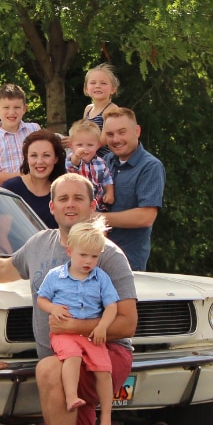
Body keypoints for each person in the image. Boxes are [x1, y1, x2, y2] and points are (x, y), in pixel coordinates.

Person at [0, 173, 178, 425]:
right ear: (52, 206)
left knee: (47, 369)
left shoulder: (107, 254)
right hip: (62, 363)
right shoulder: (39, 244)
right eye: (63, 199)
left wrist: (74, 328)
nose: (70, 204)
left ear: (92, 206)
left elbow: (127, 324)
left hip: (104, 357)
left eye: (78, 198)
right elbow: (2, 269)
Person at [36, 221, 121, 425]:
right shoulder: (55, 275)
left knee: (104, 370)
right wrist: (53, 308)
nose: (88, 261)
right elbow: (41, 299)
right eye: (83, 255)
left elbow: (112, 306)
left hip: (90, 334)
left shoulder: (100, 278)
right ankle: (71, 396)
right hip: (64, 333)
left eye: (94, 257)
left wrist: (102, 326)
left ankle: (107, 416)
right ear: (70, 251)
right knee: (72, 357)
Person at [99, 106, 164, 271]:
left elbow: (146, 217)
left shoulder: (150, 166)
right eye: (110, 134)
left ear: (137, 131)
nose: (116, 139)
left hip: (127, 264)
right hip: (93, 259)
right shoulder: (105, 160)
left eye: (122, 132)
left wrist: (96, 218)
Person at [2, 129, 66, 229]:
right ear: (27, 158)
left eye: (46, 155)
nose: (39, 161)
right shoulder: (10, 189)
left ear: (56, 159)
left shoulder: (63, 191)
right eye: (34, 155)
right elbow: (0, 235)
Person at [0, 83, 41, 186]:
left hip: (33, 189)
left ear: (24, 109)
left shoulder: (34, 129)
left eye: (17, 107)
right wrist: (27, 176)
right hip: (4, 193)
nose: (12, 112)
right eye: (6, 107)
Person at [65, 119, 115, 209]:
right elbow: (73, 164)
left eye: (90, 145)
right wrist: (77, 156)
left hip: (98, 205)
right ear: (71, 145)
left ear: (98, 145)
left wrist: (109, 193)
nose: (85, 149)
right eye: (79, 145)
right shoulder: (72, 158)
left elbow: (107, 179)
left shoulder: (101, 162)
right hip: (77, 206)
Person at [81, 62, 121, 130]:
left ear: (113, 89)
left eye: (103, 83)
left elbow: (107, 135)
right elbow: (83, 131)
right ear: (86, 89)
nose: (97, 86)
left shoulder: (112, 109)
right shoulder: (88, 109)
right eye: (93, 83)